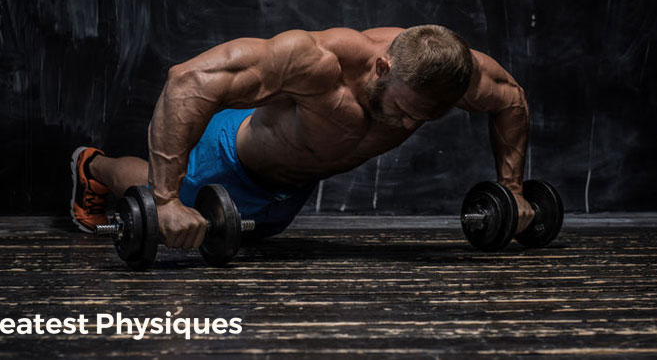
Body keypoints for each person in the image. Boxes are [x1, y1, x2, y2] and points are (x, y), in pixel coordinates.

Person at [70, 25, 533, 249]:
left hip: (288, 193)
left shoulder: (455, 73)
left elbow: (511, 99)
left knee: (245, 237)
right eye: (405, 109)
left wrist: (512, 191)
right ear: (383, 68)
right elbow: (188, 81)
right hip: (230, 158)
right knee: (158, 189)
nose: (406, 122)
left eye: (423, 118)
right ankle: (92, 168)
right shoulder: (317, 62)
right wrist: (167, 202)